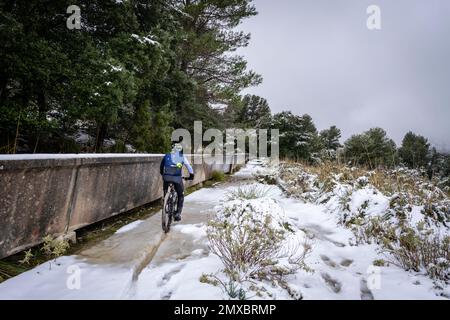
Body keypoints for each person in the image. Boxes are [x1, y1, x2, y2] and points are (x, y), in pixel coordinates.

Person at [160, 142, 194, 221]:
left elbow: (161, 167)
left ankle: (166, 200)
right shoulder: (182, 157)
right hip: (177, 179)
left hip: (166, 177)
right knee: (181, 195)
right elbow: (189, 168)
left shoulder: (167, 155)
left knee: (165, 189)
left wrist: (163, 174)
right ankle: (178, 213)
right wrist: (191, 176)